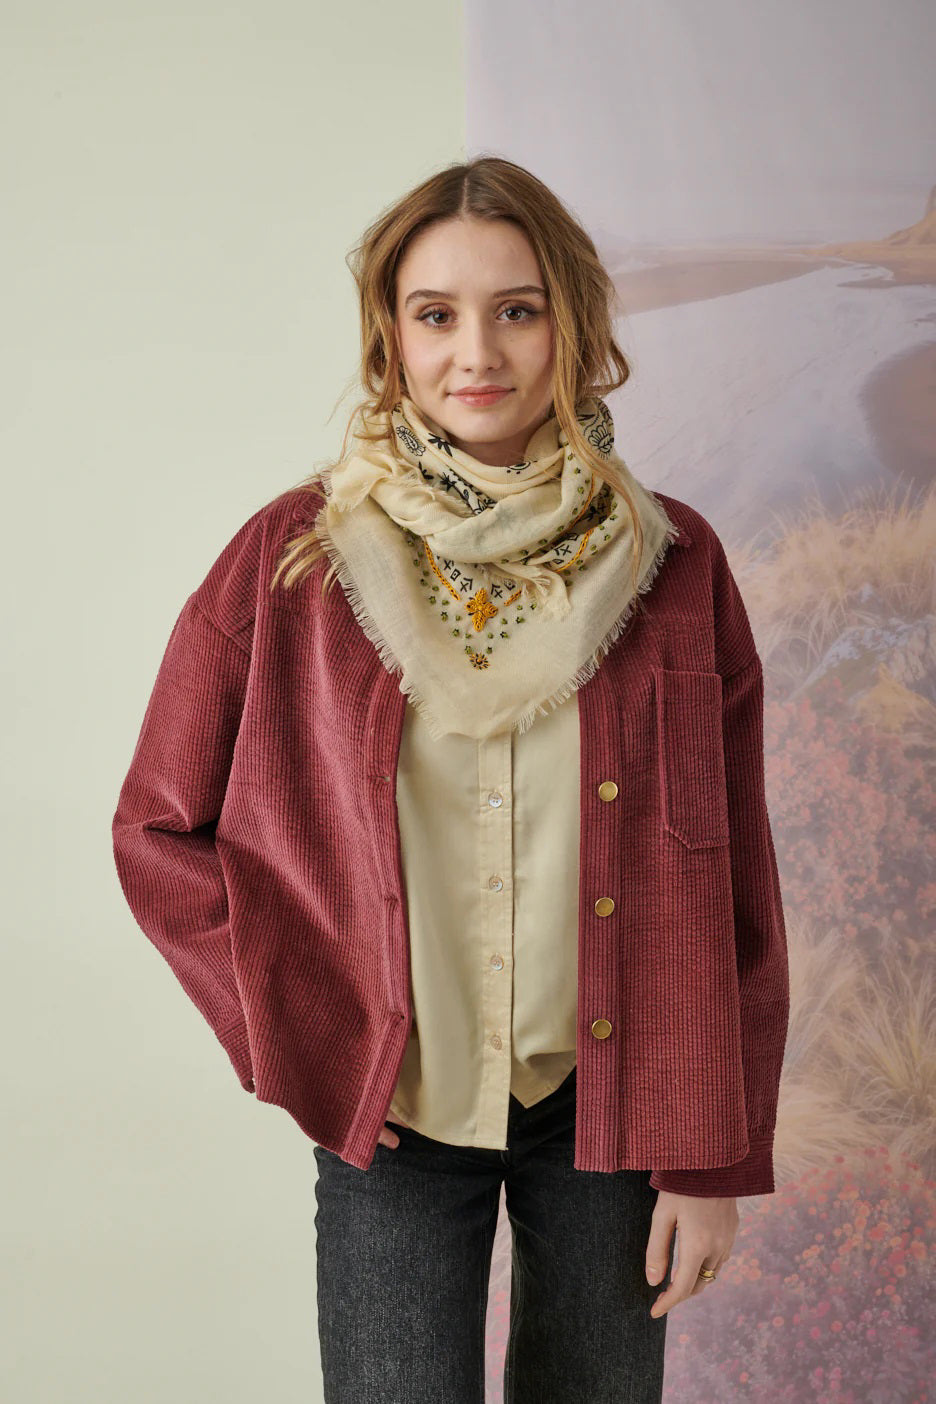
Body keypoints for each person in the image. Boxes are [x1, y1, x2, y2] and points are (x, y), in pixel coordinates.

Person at [112, 155, 790, 1403]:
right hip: (393, 1115)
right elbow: (156, 828)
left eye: (517, 310)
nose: (477, 352)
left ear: (571, 325)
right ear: (392, 337)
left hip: (612, 1112)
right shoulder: (292, 558)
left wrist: (714, 1160)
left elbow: (735, 875)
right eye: (436, 314)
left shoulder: (676, 563)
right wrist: (289, 1021)